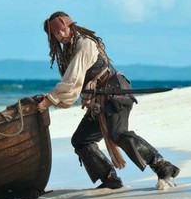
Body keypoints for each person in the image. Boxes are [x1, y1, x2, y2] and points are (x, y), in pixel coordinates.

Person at [37, 11, 180, 190]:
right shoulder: (68, 52)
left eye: (63, 30)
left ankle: (164, 167)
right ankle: (110, 179)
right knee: (81, 140)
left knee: (117, 133)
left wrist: (49, 100)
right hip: (99, 103)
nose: (61, 36)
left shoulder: (85, 44)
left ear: (70, 26)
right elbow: (75, 83)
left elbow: (72, 81)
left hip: (115, 94)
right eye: (56, 34)